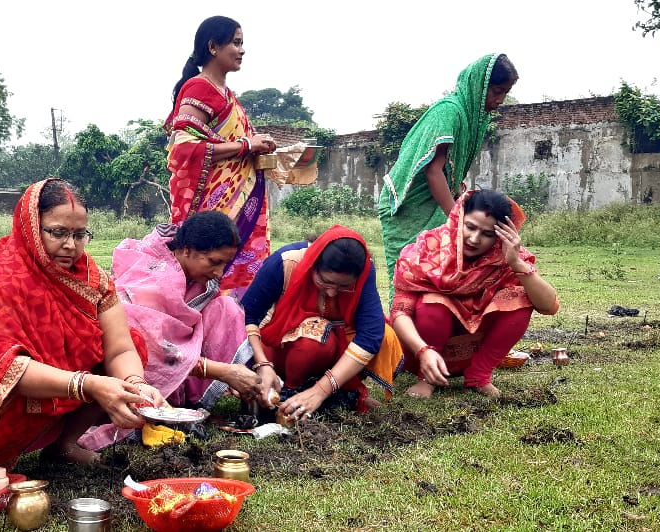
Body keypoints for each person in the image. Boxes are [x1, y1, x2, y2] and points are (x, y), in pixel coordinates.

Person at [0, 178, 166, 467]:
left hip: (60, 382)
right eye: (58, 233)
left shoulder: (90, 276)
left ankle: (64, 446)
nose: (70, 245)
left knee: (133, 345)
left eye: (80, 234)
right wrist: (88, 385)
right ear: (30, 227)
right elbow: (2, 369)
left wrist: (135, 385)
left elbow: (120, 348)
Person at [79, 211, 261, 450]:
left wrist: (257, 369)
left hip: (178, 363)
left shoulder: (199, 280)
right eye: (214, 262)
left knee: (226, 307)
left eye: (224, 264)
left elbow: (186, 336)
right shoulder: (151, 276)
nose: (219, 272)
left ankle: (189, 406)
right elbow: (151, 349)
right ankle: (149, 408)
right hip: (126, 369)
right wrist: (221, 371)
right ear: (187, 250)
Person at [390, 189, 559, 399]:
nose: (474, 239)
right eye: (470, 227)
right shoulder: (425, 251)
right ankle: (428, 378)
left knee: (521, 297)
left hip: (475, 351)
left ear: (500, 236)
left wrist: (516, 263)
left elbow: (548, 305)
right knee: (434, 302)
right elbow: (399, 313)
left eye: (488, 234)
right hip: (422, 353)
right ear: (458, 219)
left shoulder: (504, 258)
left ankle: (479, 375)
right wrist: (423, 351)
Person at [378, 53, 519, 291]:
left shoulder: (473, 117)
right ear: (480, 85)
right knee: (409, 275)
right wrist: (457, 219)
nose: (501, 99)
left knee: (439, 274)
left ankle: (433, 327)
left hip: (435, 200)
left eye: (505, 92)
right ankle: (403, 327)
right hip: (410, 205)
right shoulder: (449, 112)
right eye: (497, 91)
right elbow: (433, 170)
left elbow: (447, 170)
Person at [240, 226, 404, 424]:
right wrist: (263, 365)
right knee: (314, 339)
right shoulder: (285, 262)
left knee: (384, 335)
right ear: (313, 265)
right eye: (325, 281)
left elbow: (371, 335)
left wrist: (320, 391)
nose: (333, 293)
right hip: (278, 349)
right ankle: (289, 392)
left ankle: (332, 392)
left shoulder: (364, 272)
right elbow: (248, 316)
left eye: (344, 286)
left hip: (332, 349)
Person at [166, 15, 278, 292]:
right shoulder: (199, 88)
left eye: (242, 44)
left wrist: (258, 145)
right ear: (213, 47)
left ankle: (236, 324)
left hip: (242, 202)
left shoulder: (228, 95)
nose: (242, 50)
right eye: (236, 43)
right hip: (214, 205)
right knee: (210, 270)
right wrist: (245, 146)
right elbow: (183, 147)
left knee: (240, 280)